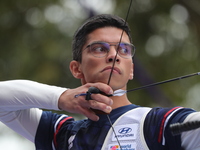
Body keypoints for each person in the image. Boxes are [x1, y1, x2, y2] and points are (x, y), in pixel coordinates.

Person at [0, 14, 200, 150]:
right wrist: (61, 98)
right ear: (76, 68)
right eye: (99, 48)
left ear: (131, 69)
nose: (114, 55)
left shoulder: (159, 124)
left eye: (124, 49)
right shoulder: (61, 134)